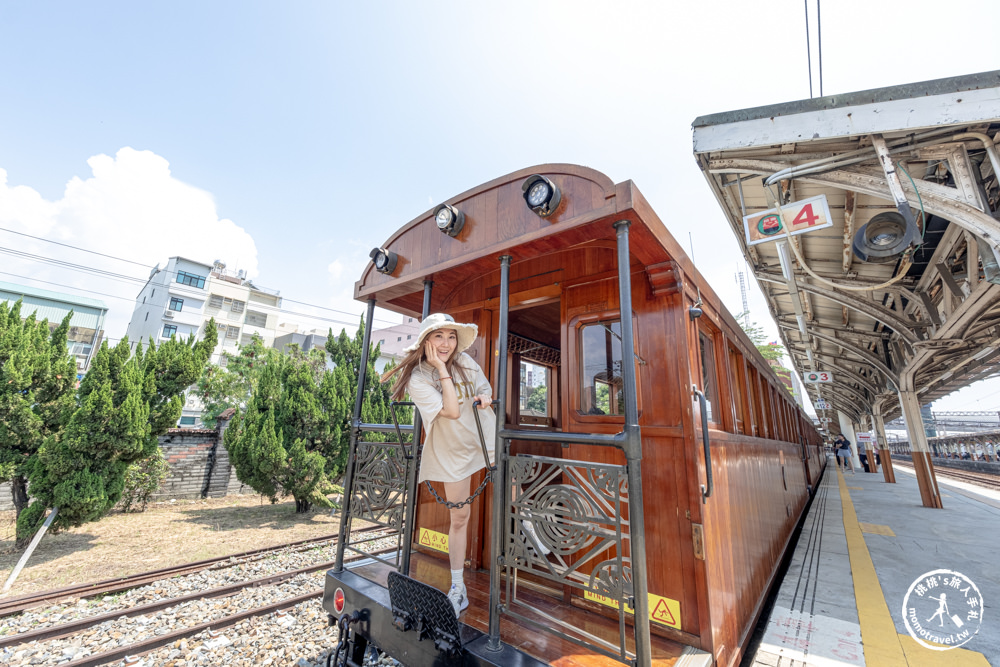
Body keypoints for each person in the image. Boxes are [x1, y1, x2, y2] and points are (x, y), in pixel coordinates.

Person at [382, 313, 496, 618]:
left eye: (451, 336)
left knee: (511, 488)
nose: (446, 343)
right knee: (460, 517)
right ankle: (458, 586)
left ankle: (526, 535)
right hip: (452, 452)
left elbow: (486, 388)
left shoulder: (468, 362)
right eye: (438, 336)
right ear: (426, 342)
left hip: (486, 441)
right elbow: (451, 411)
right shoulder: (420, 378)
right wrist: (442, 369)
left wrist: (485, 395)